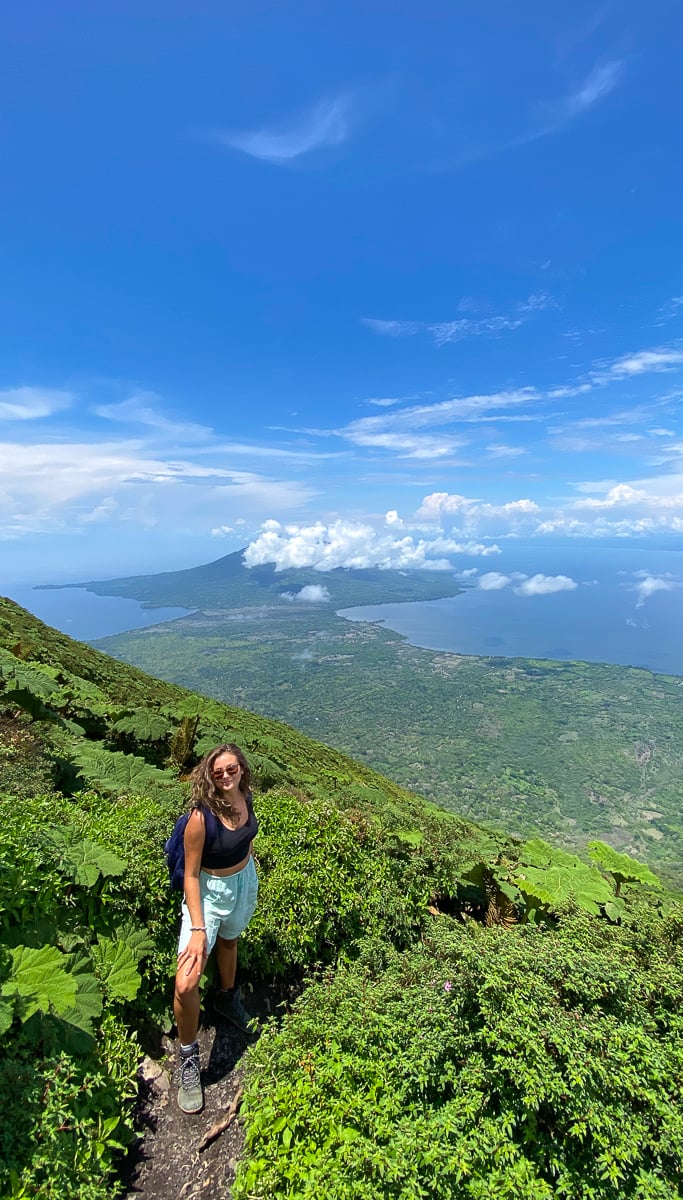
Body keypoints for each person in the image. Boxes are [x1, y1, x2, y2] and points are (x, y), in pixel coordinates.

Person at [173, 743, 259, 1114]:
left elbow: (247, 837)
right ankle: (188, 1057)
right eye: (219, 772)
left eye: (232, 769)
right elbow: (191, 874)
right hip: (207, 894)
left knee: (230, 942)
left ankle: (225, 996)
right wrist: (196, 927)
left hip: (242, 882)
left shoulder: (246, 795)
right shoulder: (200, 818)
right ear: (209, 775)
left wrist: (247, 865)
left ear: (242, 769)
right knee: (186, 981)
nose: (226, 776)